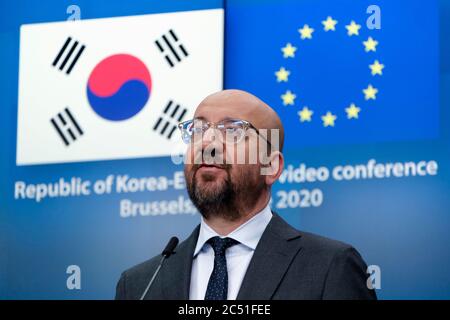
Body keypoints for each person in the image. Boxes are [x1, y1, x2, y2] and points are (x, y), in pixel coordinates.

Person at [115, 89, 377, 300]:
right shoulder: (139, 285)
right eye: (197, 130)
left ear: (271, 166)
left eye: (233, 131)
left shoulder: (330, 267)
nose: (208, 144)